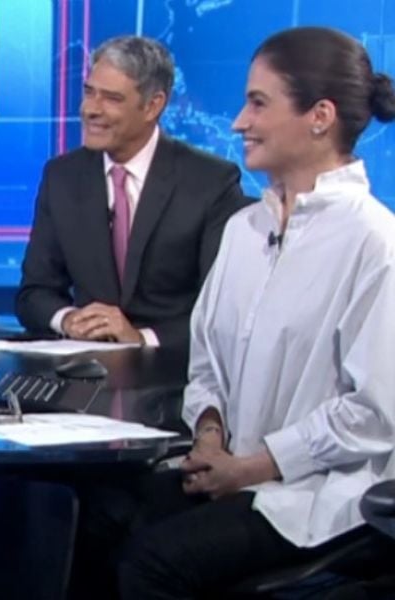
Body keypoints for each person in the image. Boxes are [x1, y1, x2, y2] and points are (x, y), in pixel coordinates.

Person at [113, 27, 395, 597]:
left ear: (320, 116)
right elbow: (207, 360)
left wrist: (255, 466)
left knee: (152, 561)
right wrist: (211, 433)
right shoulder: (245, 230)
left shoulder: (375, 242)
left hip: (318, 495)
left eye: (258, 103)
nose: (239, 121)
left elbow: (373, 414)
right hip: (233, 470)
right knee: (103, 510)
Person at [16, 36, 250, 349]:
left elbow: (221, 313)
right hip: (86, 374)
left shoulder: (210, 182)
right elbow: (34, 293)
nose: (90, 109)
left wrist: (140, 338)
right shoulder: (62, 177)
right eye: (89, 92)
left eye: (111, 98)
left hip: (171, 378)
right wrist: (69, 319)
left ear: (153, 105)